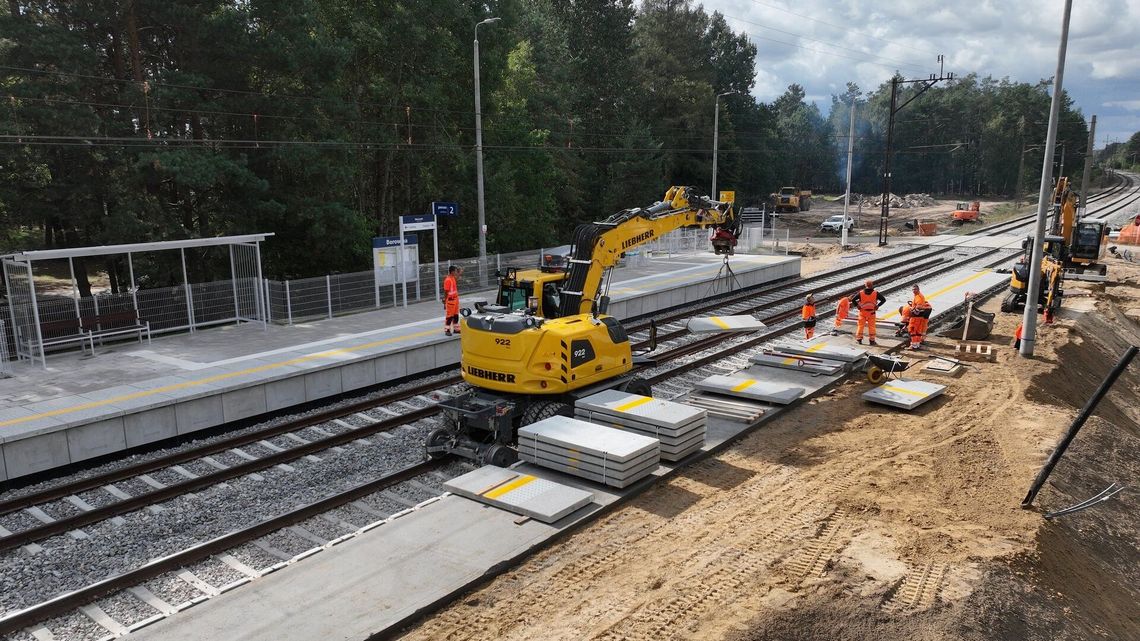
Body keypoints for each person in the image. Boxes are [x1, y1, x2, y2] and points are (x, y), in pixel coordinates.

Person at [850, 279, 886, 346]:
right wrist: (878, 306)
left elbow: (853, 299)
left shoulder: (861, 293)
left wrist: (857, 305)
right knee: (872, 327)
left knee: (860, 326)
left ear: (865, 285)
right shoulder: (875, 293)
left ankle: (859, 339)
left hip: (862, 312)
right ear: (872, 285)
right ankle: (872, 341)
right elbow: (883, 300)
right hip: (871, 312)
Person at [907, 284, 933, 350]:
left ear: (918, 289)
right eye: (913, 289)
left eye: (915, 289)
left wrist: (912, 309)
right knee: (918, 331)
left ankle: (913, 345)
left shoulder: (918, 297)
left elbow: (918, 307)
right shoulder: (920, 296)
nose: (913, 291)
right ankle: (917, 345)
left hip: (915, 317)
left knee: (912, 330)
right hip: (920, 317)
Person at [442, 265, 462, 336]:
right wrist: (445, 301)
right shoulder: (448, 280)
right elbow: (446, 291)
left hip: (455, 299)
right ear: (452, 271)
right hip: (451, 300)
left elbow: (456, 280)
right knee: (449, 316)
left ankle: (456, 329)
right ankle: (447, 330)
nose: (456, 272)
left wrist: (459, 273)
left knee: (456, 315)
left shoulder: (452, 278)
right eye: (456, 271)